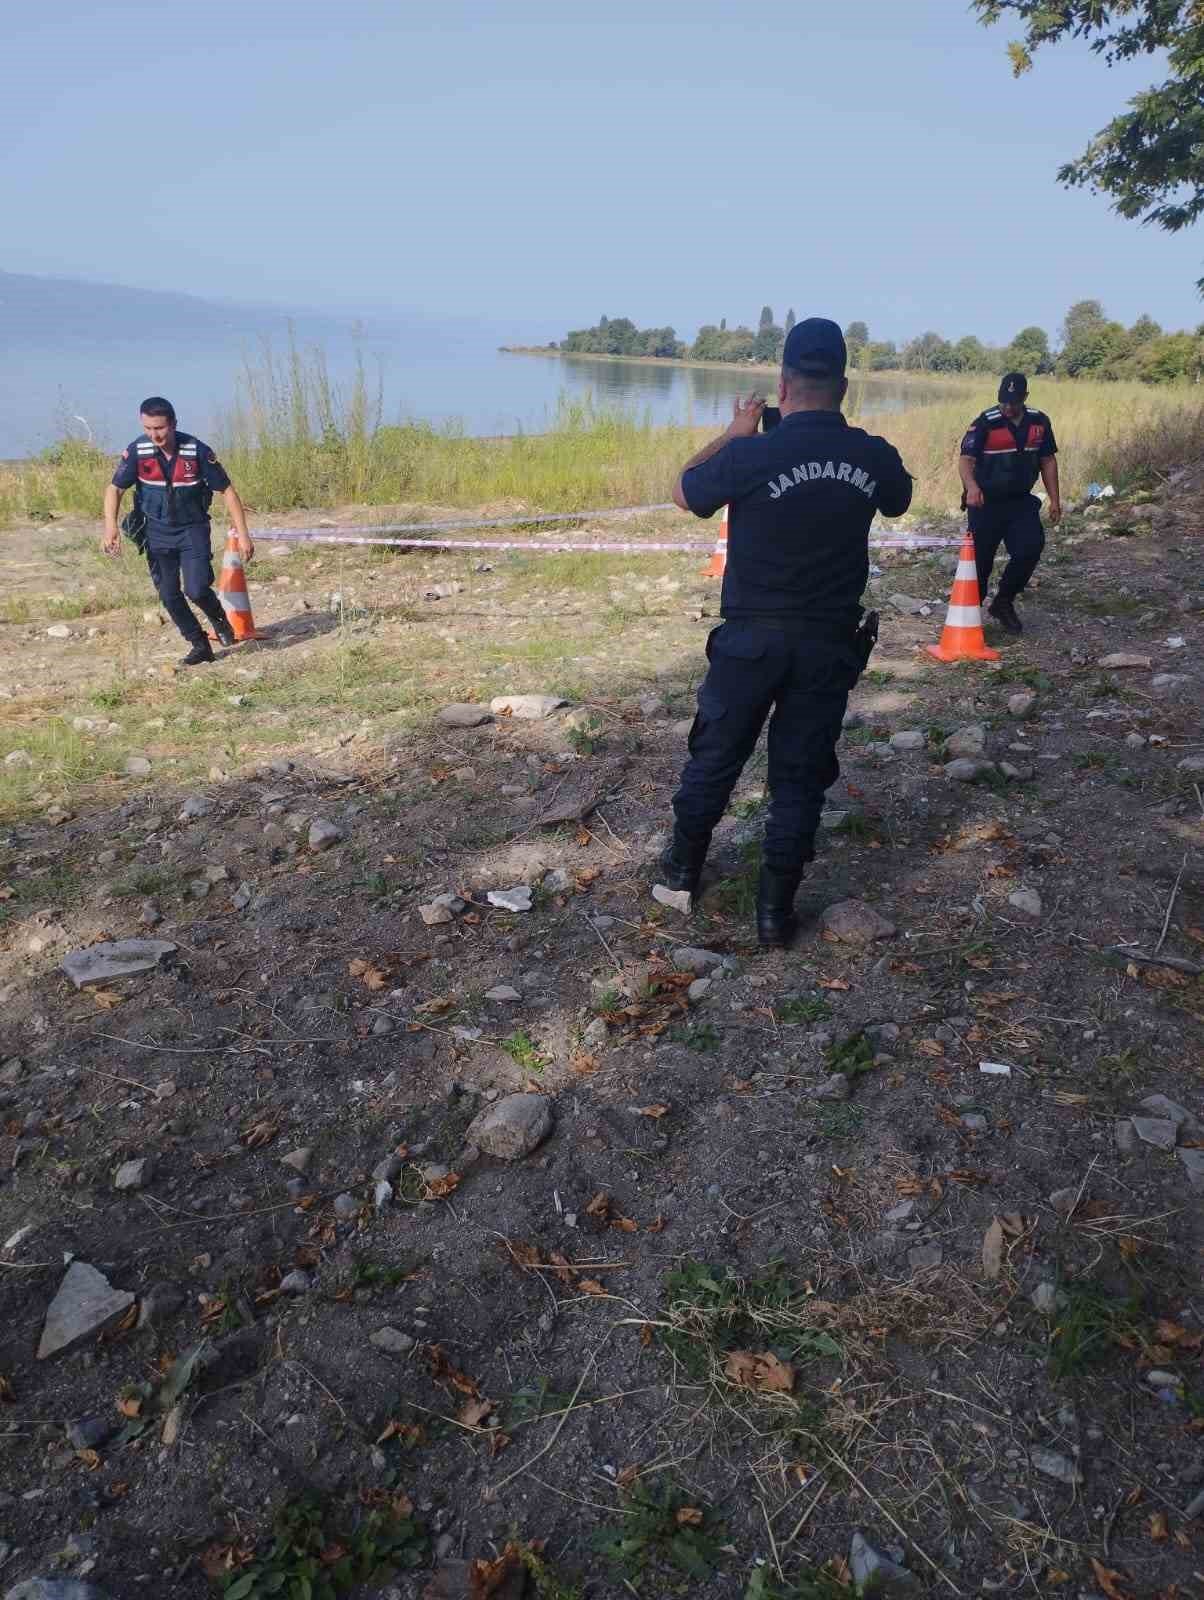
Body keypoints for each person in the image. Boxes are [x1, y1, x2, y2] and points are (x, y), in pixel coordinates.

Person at [660, 317, 913, 946]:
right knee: (799, 776)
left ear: (782, 383)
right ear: (845, 386)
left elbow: (684, 493)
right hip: (827, 642)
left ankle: (682, 872)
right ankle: (774, 913)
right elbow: (898, 499)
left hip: (752, 639)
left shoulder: (751, 452)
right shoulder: (872, 454)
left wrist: (733, 433)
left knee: (716, 756)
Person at [102, 397, 255, 665]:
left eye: (159, 428)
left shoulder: (196, 451)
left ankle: (219, 619)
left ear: (173, 424)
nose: (154, 435)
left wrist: (243, 534)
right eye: (148, 428)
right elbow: (114, 489)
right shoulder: (137, 452)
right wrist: (110, 527)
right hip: (156, 533)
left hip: (192, 530)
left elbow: (227, 491)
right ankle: (199, 644)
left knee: (196, 588)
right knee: (169, 595)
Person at [958, 373, 1060, 635]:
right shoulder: (985, 422)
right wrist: (971, 487)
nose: (1007, 407)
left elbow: (1048, 460)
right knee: (979, 563)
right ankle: (969, 617)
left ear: (1025, 398)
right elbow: (966, 460)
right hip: (986, 503)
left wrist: (1055, 500)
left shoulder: (1039, 422)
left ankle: (1003, 601)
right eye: (1003, 401)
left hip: (1020, 502)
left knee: (1030, 548)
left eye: (1013, 402)